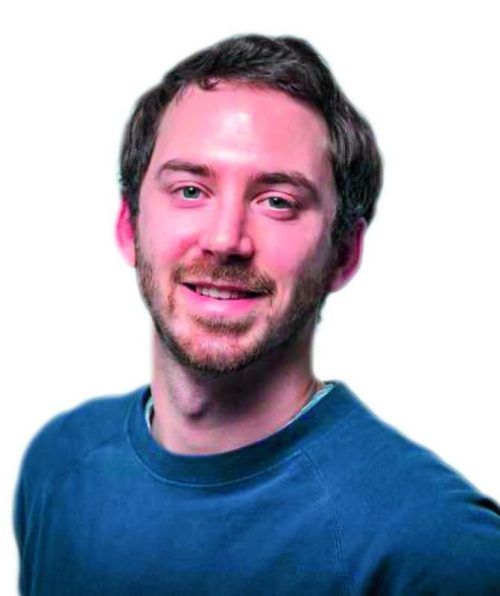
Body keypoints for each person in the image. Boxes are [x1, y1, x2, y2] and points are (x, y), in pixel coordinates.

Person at [14, 33, 500, 595]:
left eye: (277, 201)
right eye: (190, 190)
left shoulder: (438, 548)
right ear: (129, 227)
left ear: (344, 254)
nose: (225, 239)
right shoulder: (59, 463)